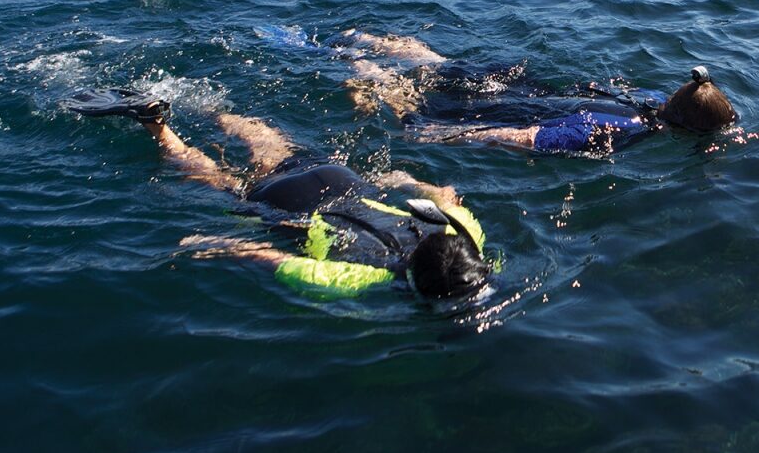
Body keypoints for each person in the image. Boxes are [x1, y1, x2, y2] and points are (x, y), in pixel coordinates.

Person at [65, 88, 490, 301]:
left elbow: (447, 194)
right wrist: (214, 245)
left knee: (266, 143)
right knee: (215, 178)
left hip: (339, 178)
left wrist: (406, 181)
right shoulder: (363, 277)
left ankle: (209, 108)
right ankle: (157, 124)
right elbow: (272, 257)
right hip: (288, 204)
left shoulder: (463, 233)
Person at [307, 29, 740, 156]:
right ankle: (361, 70)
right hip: (510, 111)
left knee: (437, 65)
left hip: (526, 89)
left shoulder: (647, 96)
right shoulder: (618, 131)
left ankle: (364, 42)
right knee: (410, 109)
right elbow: (526, 138)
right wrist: (441, 137)